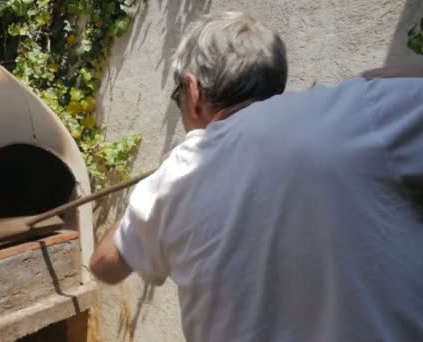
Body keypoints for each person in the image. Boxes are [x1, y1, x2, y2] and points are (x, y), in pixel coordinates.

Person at [90, 11, 423, 342]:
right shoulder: (361, 108)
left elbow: (104, 264)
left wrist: (156, 186)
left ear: (193, 92)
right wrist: (402, 76)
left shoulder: (175, 176)